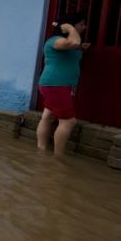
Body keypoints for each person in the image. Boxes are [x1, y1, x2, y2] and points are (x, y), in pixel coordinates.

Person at [36, 12, 91, 156]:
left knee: (47, 117)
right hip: (55, 85)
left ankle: (40, 152)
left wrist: (81, 49)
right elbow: (73, 42)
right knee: (69, 121)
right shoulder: (56, 40)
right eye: (81, 24)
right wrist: (71, 29)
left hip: (58, 85)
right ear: (70, 25)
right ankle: (58, 159)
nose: (84, 27)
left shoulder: (66, 43)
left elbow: (73, 47)